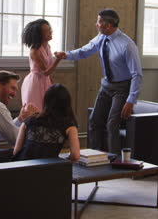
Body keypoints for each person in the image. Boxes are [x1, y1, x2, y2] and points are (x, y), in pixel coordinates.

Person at [55, 9, 142, 154]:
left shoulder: (127, 45)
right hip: (107, 85)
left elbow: (137, 74)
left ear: (108, 25)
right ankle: (95, 156)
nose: (96, 24)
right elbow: (85, 51)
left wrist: (131, 100)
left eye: (99, 21)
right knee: (94, 121)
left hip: (122, 88)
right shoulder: (101, 37)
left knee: (112, 124)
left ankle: (114, 161)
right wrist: (66, 55)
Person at [13, 84, 80, 162]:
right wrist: (63, 161)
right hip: (47, 170)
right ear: (67, 103)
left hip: (22, 169)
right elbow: (75, 156)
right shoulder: (69, 126)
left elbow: (16, 152)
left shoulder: (28, 121)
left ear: (46, 101)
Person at [21, 19, 62, 110]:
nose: (50, 32)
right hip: (36, 82)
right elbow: (45, 72)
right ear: (39, 34)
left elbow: (48, 72)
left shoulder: (48, 47)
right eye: (46, 30)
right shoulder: (35, 51)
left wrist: (51, 82)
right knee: (36, 110)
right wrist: (58, 59)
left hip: (45, 81)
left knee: (47, 109)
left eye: (50, 29)